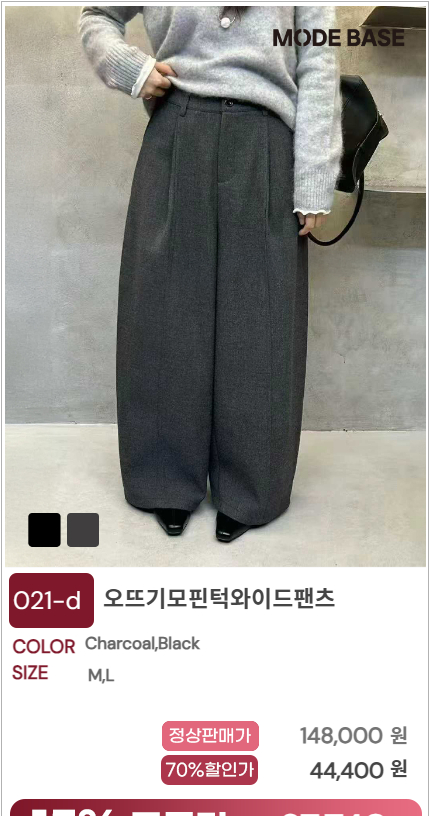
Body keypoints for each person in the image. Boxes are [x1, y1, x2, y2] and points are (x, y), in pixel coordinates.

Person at [78, 6, 342, 542]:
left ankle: (252, 487)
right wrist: (130, 68)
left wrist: (314, 174)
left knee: (262, 320)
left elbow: (318, 57)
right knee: (164, 314)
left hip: (267, 140)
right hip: (177, 130)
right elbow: (98, 15)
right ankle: (163, 479)